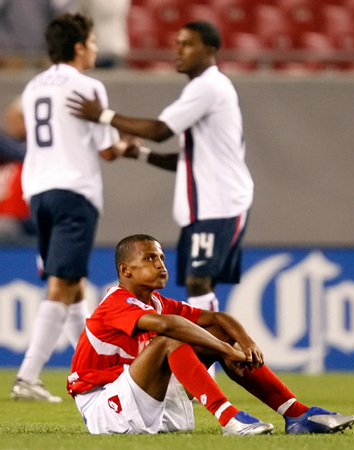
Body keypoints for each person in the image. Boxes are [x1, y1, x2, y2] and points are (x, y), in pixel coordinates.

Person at [67, 234, 354, 435]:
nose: (160, 265)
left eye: (162, 257)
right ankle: (229, 418)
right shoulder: (115, 302)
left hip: (143, 399)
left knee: (215, 331)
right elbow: (168, 327)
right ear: (125, 270)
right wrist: (225, 350)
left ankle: (295, 413)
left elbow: (218, 318)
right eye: (150, 258)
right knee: (171, 340)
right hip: (105, 406)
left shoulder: (155, 301)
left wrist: (244, 342)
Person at [67, 20, 252, 327]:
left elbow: (159, 130)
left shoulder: (208, 86)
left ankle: (207, 368)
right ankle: (207, 365)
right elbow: (188, 162)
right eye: (177, 43)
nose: (178, 50)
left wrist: (103, 115)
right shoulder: (206, 88)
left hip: (219, 203)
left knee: (198, 281)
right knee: (198, 284)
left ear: (209, 50)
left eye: (187, 44)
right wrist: (141, 154)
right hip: (210, 204)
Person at [10, 13, 138, 402]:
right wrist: (126, 145)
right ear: (80, 46)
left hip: (38, 191)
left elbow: (20, 127)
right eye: (94, 42)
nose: (97, 48)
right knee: (63, 284)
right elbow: (106, 150)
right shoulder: (87, 86)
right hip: (73, 190)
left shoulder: (34, 86)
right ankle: (28, 377)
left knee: (74, 284)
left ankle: (94, 369)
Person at [0, 98, 35, 244]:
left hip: (24, 221)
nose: (12, 124)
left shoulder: (37, 149)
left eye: (17, 119)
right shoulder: (7, 157)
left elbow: (20, 152)